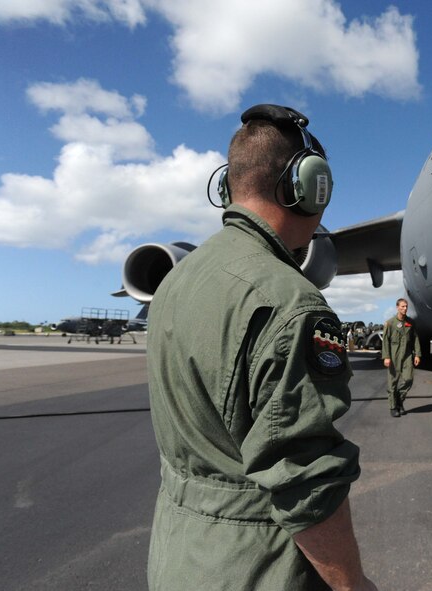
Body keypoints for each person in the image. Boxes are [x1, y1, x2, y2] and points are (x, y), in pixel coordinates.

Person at [146, 104, 376, 590]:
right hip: (258, 569)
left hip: (178, 558)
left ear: (228, 186)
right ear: (309, 186)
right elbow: (306, 480)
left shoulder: (174, 282)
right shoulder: (288, 300)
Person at [382, 298, 421, 417]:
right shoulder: (390, 323)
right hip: (394, 355)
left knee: (408, 379)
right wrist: (386, 356)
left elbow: (415, 339)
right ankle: (393, 407)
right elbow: (385, 341)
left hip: (407, 355)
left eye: (406, 306)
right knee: (392, 382)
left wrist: (417, 354)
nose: (405, 309)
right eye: (402, 306)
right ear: (397, 307)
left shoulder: (410, 323)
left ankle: (399, 399)